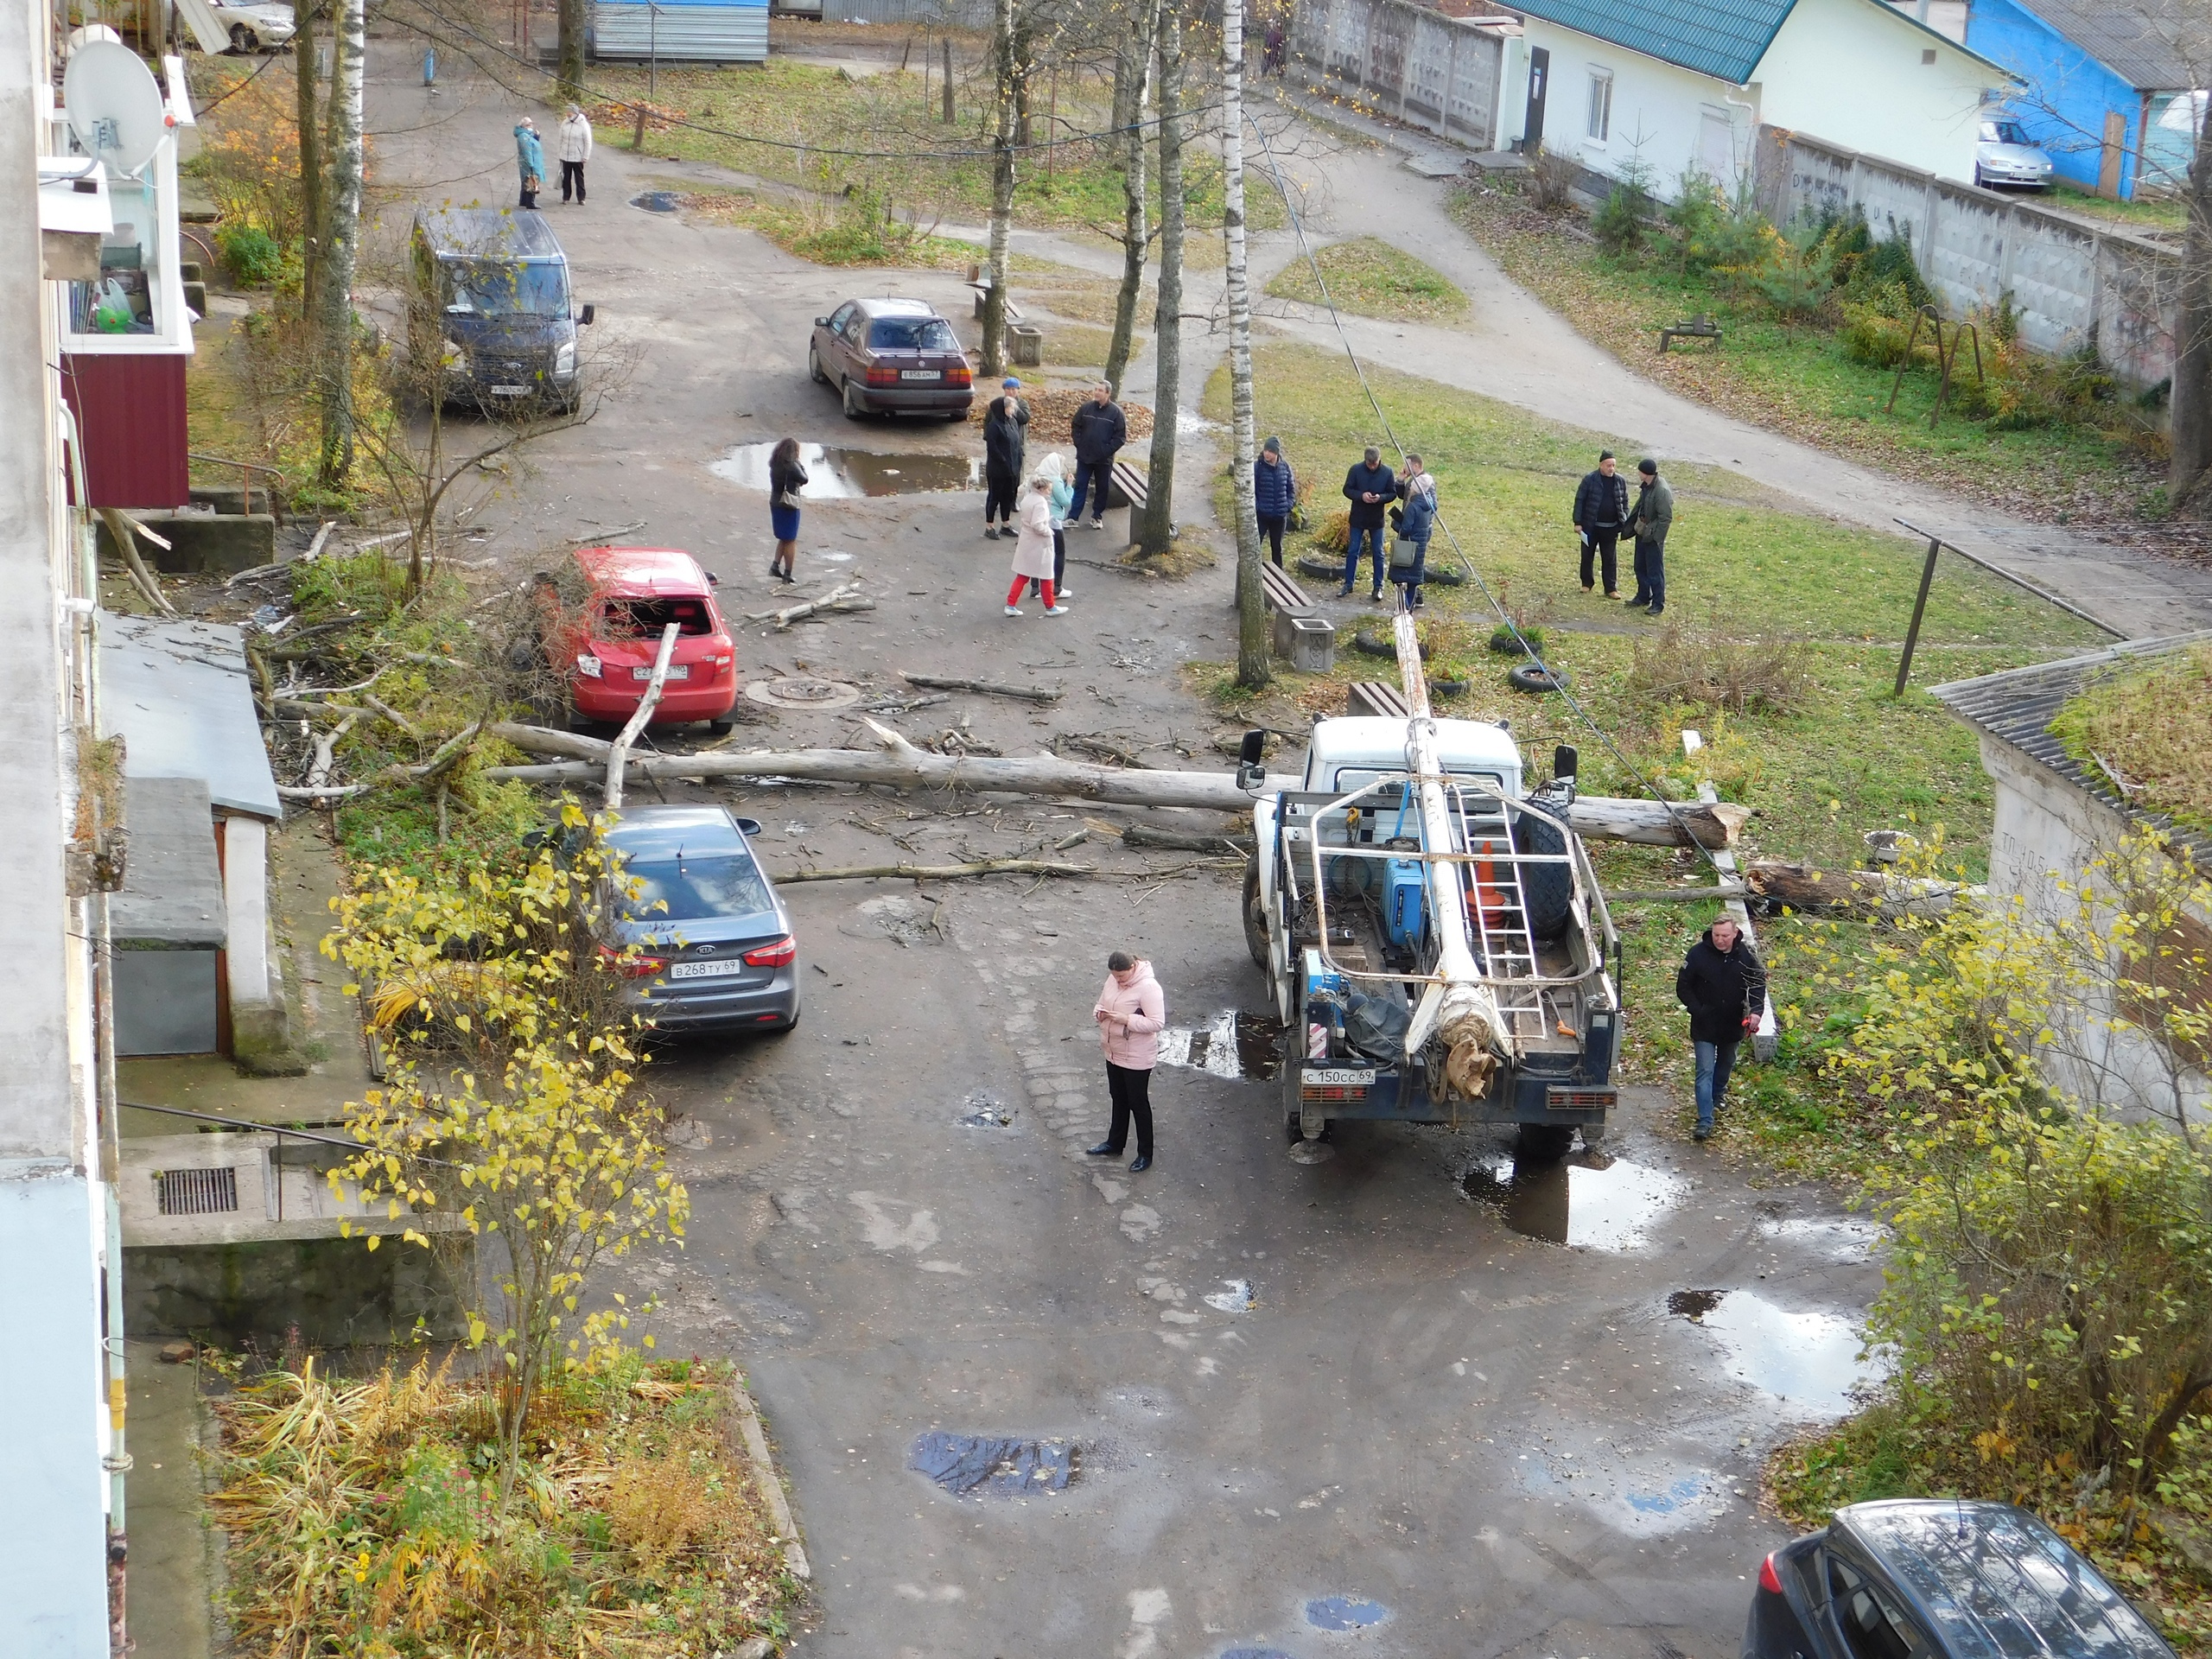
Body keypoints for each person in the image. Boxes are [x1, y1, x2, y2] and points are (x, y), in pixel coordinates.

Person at [1675, 916, 1765, 1141]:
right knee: (1704, 1070)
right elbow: (1683, 984)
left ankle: (1717, 1095)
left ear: (1735, 933)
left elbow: (1757, 983)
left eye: (1725, 935)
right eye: (1716, 935)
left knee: (1725, 1064)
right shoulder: (1697, 954)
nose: (1720, 940)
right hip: (1704, 1024)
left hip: (1733, 1023)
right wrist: (1697, 1008)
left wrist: (1756, 1012)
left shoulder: (1746, 956)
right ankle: (1705, 1120)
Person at [1086, 950, 1165, 1172]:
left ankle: (1145, 1154)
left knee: (1138, 1104)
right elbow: (1101, 1003)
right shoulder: (1112, 980)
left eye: (1122, 976)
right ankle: (1114, 1144)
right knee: (1118, 1098)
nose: (1118, 980)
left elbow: (1157, 1023)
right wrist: (1099, 1013)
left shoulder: (1149, 987)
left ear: (1133, 967)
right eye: (1115, 976)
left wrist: (1127, 1020)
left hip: (1137, 1056)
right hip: (1114, 1050)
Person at [1067, 380, 1128, 531]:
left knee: (1102, 488)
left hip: (1103, 460)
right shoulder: (1086, 408)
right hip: (1084, 457)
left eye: (1100, 390)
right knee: (1080, 486)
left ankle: (1097, 516)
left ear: (1108, 393)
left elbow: (1120, 437)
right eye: (1095, 389)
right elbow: (1076, 426)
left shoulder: (1116, 413)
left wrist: (1106, 451)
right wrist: (1079, 444)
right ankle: (1073, 517)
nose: (1096, 392)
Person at [1005, 474, 1067, 616]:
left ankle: (1011, 603)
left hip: (1027, 541)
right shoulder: (1041, 503)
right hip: (1039, 544)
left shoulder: (1027, 499)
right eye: (1049, 489)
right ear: (1043, 489)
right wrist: (1048, 532)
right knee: (1046, 576)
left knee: (1023, 575)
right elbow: (1037, 525)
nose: (1050, 492)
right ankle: (1050, 606)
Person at [1339, 447, 1395, 601]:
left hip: (1376, 519)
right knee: (1353, 551)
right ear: (1365, 460)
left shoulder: (1387, 472)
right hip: (1358, 517)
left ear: (1379, 460)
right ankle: (1348, 584)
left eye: (1375, 463)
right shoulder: (1356, 470)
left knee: (1378, 553)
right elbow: (1347, 489)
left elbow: (1392, 493)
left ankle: (1378, 586)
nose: (1372, 466)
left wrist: (1380, 497)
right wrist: (1360, 496)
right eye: (1369, 464)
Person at [1571, 449, 1628, 598]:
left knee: (1610, 559)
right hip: (1591, 527)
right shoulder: (1590, 479)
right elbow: (1580, 500)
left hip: (1611, 528)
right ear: (1601, 465)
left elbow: (1624, 502)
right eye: (1609, 465)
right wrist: (1578, 522)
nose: (1611, 469)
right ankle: (1586, 583)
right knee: (1587, 556)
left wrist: (1624, 520)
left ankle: (1610, 588)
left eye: (1613, 465)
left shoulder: (1620, 481)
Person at [982, 378, 1029, 539]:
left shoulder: (1012, 422)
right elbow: (992, 447)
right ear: (1003, 409)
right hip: (998, 469)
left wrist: (1015, 462)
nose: (1012, 410)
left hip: (1011, 468)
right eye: (1010, 408)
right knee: (994, 497)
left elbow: (1016, 443)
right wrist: (1003, 461)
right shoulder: (995, 426)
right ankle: (989, 527)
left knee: (1007, 497)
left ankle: (1005, 524)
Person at [1390, 453, 1436, 610]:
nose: (1405, 467)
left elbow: (1433, 506)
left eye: (1408, 464)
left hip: (1416, 528)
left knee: (1409, 564)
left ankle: (1412, 599)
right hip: (1414, 524)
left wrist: (1416, 516)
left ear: (1416, 465)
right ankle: (1413, 597)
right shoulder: (1414, 481)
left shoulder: (1426, 483)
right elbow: (1403, 496)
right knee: (1413, 566)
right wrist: (1401, 481)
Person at [1628, 457, 1673, 615]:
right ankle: (1643, 596)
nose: (1638, 473)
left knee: (1655, 571)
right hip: (1643, 532)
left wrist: (1656, 538)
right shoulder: (1648, 486)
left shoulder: (1661, 491)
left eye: (1639, 471)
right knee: (1640, 566)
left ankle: (1658, 603)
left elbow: (1665, 518)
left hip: (1652, 537)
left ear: (1645, 473)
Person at [1027, 453, 1074, 604]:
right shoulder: (1054, 481)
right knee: (1058, 553)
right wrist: (1069, 486)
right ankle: (1057, 587)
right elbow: (1065, 501)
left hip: (1037, 519)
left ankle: (1035, 588)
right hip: (1053, 521)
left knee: (1038, 554)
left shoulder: (1038, 477)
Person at [767, 437, 805, 583]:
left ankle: (775, 566)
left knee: (783, 537)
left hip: (775, 502)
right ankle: (788, 573)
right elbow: (804, 479)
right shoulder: (792, 465)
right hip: (789, 503)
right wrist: (800, 464)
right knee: (790, 539)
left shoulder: (775, 463)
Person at [1254, 435, 1296, 567]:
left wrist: (1287, 506)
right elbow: (1251, 490)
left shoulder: (1285, 467)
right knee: (1255, 546)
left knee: (1277, 548)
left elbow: (1291, 489)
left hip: (1279, 516)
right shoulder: (1257, 467)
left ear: (1277, 453)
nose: (1267, 453)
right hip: (1262, 516)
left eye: (1271, 451)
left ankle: (1279, 575)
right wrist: (1258, 507)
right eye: (1266, 450)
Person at [557, 104, 593, 204]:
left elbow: (588, 142)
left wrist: (586, 156)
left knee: (579, 178)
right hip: (566, 155)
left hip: (578, 157)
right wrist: (560, 153)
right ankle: (566, 197)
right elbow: (560, 139)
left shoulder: (583, 125)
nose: (568, 114)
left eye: (570, 112)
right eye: (567, 112)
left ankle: (581, 198)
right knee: (566, 178)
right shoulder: (565, 123)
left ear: (575, 113)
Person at [513, 118, 545, 210]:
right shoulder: (524, 136)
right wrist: (531, 164)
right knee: (531, 182)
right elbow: (527, 151)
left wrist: (536, 137)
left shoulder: (527, 135)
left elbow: (532, 143)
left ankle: (523, 201)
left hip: (530, 162)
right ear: (526, 126)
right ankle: (530, 203)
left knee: (526, 182)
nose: (531, 126)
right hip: (530, 163)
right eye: (530, 124)